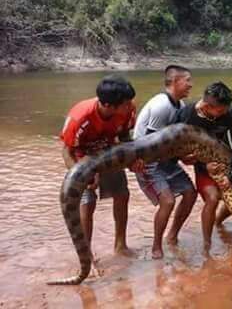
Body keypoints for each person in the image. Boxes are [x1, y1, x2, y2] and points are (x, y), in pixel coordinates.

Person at [60, 74, 143, 260]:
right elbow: (67, 151)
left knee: (122, 195)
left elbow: (125, 138)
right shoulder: (80, 117)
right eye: (126, 104)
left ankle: (121, 245)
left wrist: (133, 158)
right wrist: (83, 177)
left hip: (108, 152)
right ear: (107, 106)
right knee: (88, 203)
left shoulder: (128, 110)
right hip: (82, 158)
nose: (130, 106)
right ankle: (87, 255)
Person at [133, 65, 197, 259]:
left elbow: (175, 141)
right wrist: (182, 158)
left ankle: (172, 236)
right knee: (167, 202)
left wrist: (185, 156)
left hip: (165, 158)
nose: (190, 85)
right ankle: (156, 245)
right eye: (187, 80)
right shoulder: (162, 105)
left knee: (190, 193)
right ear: (175, 81)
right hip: (147, 161)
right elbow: (152, 144)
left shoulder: (181, 106)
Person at [174, 81, 232, 248]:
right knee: (212, 199)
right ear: (206, 105)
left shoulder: (230, 113)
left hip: (227, 163)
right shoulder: (186, 115)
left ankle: (218, 223)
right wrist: (203, 166)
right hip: (203, 166)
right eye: (220, 110)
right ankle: (207, 245)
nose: (224, 112)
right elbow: (179, 148)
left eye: (226, 109)